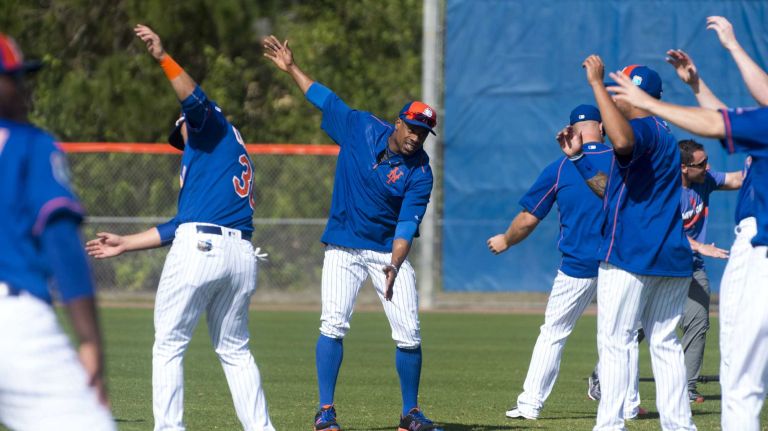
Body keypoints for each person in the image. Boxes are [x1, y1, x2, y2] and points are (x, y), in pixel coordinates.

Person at [86, 25, 274, 431]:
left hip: (202, 249)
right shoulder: (226, 153)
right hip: (240, 255)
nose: (181, 139)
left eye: (180, 131)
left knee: (169, 345)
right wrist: (125, 244)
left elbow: (194, 99)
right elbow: (178, 225)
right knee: (235, 351)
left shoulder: (208, 126)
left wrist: (162, 56)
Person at [263, 36, 443, 431]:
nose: (416, 136)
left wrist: (395, 264)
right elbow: (325, 99)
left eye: (424, 132)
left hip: (385, 253)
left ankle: (410, 413)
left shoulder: (421, 173)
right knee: (333, 323)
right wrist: (292, 67)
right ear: (399, 122)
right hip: (343, 245)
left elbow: (406, 226)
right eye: (413, 126)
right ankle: (325, 411)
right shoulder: (360, 126)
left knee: (409, 333)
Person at [605, 16, 767, 431]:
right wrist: (702, 79)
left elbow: (718, 122)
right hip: (714, 251)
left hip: (758, 247)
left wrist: (651, 104)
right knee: (689, 351)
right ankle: (679, 424)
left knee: (741, 378)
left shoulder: (647, 130)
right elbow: (729, 116)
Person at [557, 59, 697, 431]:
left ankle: (610, 426)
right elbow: (613, 191)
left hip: (632, 255)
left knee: (616, 342)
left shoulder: (644, 127)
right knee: (665, 345)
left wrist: (596, 84)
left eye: (620, 90)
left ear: (635, 95)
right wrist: (578, 159)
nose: (614, 97)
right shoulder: (661, 134)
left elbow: (620, 140)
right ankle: (680, 427)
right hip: (671, 257)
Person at [488, 105, 643, 420]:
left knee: (554, 332)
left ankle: (530, 405)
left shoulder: (560, 168)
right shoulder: (623, 161)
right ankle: (628, 405)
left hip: (577, 266)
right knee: (623, 335)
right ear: (601, 126)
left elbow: (529, 218)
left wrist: (506, 239)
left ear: (571, 130)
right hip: (621, 262)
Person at [0, 33, 115, 430]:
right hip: (12, 324)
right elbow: (61, 240)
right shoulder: (28, 143)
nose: (22, 88)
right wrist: (90, 342)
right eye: (14, 78)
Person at [677, 139, 742, 402]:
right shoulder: (664, 189)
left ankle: (685, 389)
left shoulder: (705, 179)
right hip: (660, 268)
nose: (708, 166)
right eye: (701, 163)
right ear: (683, 167)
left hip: (692, 268)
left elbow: (737, 180)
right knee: (639, 328)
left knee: (698, 324)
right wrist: (699, 246)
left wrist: (759, 164)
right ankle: (602, 377)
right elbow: (666, 232)